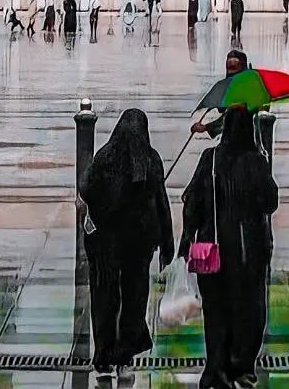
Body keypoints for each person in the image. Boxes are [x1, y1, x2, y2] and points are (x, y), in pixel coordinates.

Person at [180, 106, 279, 389]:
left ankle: (216, 366)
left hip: (213, 248)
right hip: (249, 251)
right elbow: (270, 202)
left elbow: (193, 202)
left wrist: (187, 240)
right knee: (249, 308)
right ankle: (242, 365)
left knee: (216, 311)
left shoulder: (210, 159)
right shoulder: (256, 161)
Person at [79, 109, 174, 377]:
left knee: (104, 297)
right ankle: (124, 357)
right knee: (134, 299)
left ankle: (104, 355)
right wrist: (167, 244)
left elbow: (85, 191)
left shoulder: (104, 158)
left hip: (106, 245)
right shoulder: (150, 159)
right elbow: (161, 204)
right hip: (138, 246)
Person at [191, 48, 249, 141]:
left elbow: (227, 120)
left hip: (240, 141)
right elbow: (223, 110)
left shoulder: (245, 89)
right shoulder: (231, 87)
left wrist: (204, 128)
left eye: (234, 67)